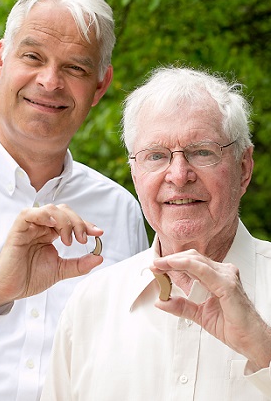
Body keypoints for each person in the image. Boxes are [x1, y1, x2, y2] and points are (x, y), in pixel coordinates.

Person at [0, 0, 149, 401]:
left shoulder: (121, 209)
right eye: (33, 57)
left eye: (75, 67)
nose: (49, 81)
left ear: (100, 87)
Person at [41, 66, 271, 400]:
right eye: (156, 156)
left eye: (202, 151)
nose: (178, 175)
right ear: (135, 174)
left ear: (244, 168)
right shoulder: (91, 305)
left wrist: (264, 349)